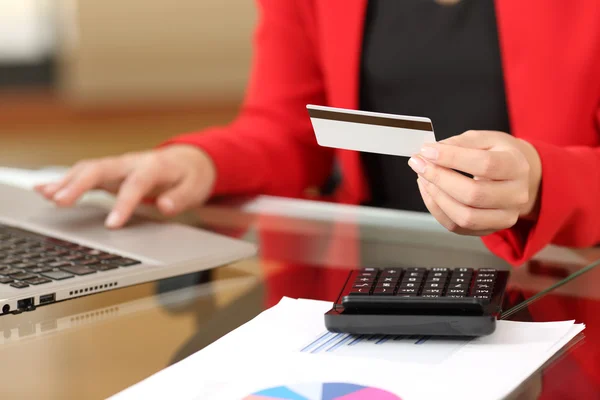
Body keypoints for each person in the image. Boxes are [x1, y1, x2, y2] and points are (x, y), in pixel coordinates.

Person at [36, 0, 600, 267]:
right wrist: (199, 162)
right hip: (366, 273)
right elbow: (288, 128)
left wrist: (543, 180)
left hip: (563, 276)